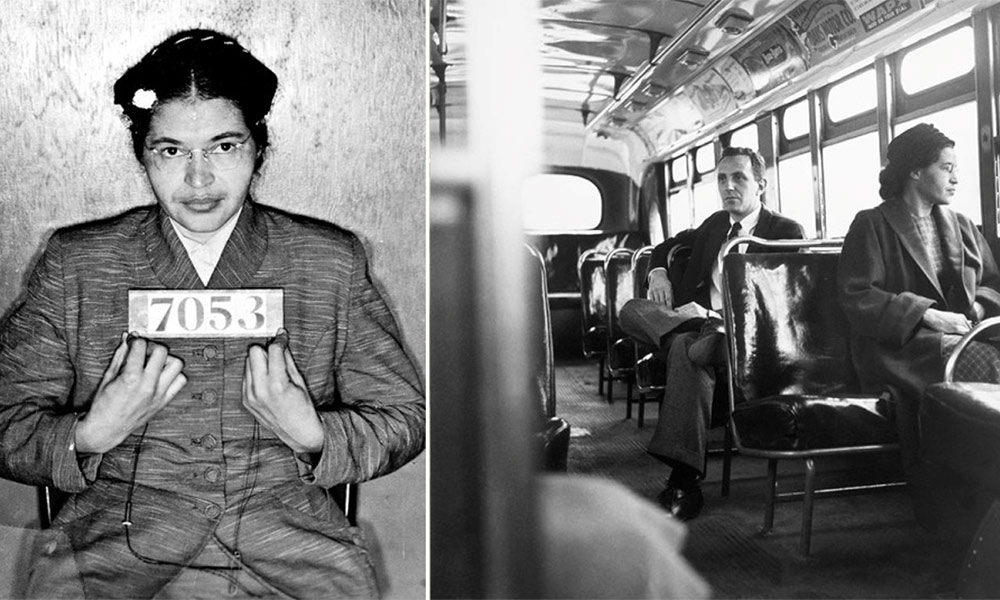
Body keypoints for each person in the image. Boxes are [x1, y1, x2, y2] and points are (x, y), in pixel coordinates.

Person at [0, 29, 424, 598]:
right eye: (171, 151)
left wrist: (314, 433)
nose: (198, 180)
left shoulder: (329, 261)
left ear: (257, 148)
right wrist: (91, 433)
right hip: (113, 546)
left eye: (223, 147)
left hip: (292, 544)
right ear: (143, 155)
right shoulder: (77, 263)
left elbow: (404, 417)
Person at [619, 146, 805, 521]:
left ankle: (683, 480)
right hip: (704, 333)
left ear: (761, 185)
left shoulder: (784, 231)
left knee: (686, 350)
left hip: (746, 339)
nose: (728, 186)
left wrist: (712, 315)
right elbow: (666, 246)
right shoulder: (715, 225)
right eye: (721, 179)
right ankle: (696, 330)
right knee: (632, 311)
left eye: (738, 178)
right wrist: (658, 272)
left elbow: (778, 307)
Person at [837, 123, 1000, 525]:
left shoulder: (962, 224)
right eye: (947, 168)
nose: (956, 178)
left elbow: (992, 284)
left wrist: (976, 310)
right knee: (985, 364)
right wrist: (926, 314)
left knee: (981, 357)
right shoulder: (871, 224)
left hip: (960, 336)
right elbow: (858, 296)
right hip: (898, 347)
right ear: (914, 171)